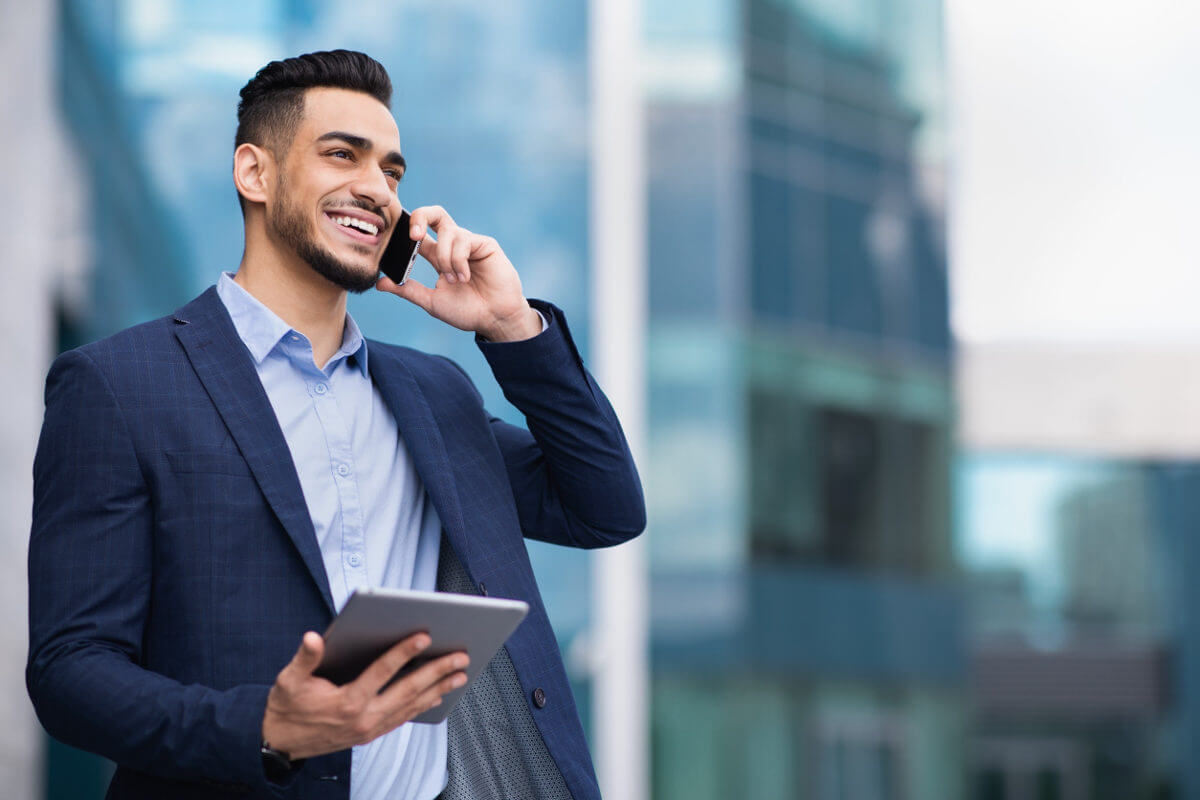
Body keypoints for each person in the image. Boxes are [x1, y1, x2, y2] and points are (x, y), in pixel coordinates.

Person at [27, 50, 644, 800]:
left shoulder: (433, 395)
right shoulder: (121, 385)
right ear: (254, 173)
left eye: (391, 171)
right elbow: (71, 672)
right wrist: (267, 726)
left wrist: (512, 326)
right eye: (341, 155)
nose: (376, 190)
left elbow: (603, 506)